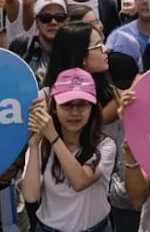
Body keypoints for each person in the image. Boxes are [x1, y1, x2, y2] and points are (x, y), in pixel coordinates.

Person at [21, 69, 116, 232]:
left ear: (92, 108)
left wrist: (54, 138)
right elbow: (30, 196)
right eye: (66, 105)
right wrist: (34, 145)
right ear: (54, 107)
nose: (74, 112)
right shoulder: (43, 144)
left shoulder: (105, 145)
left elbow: (80, 181)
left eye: (82, 105)